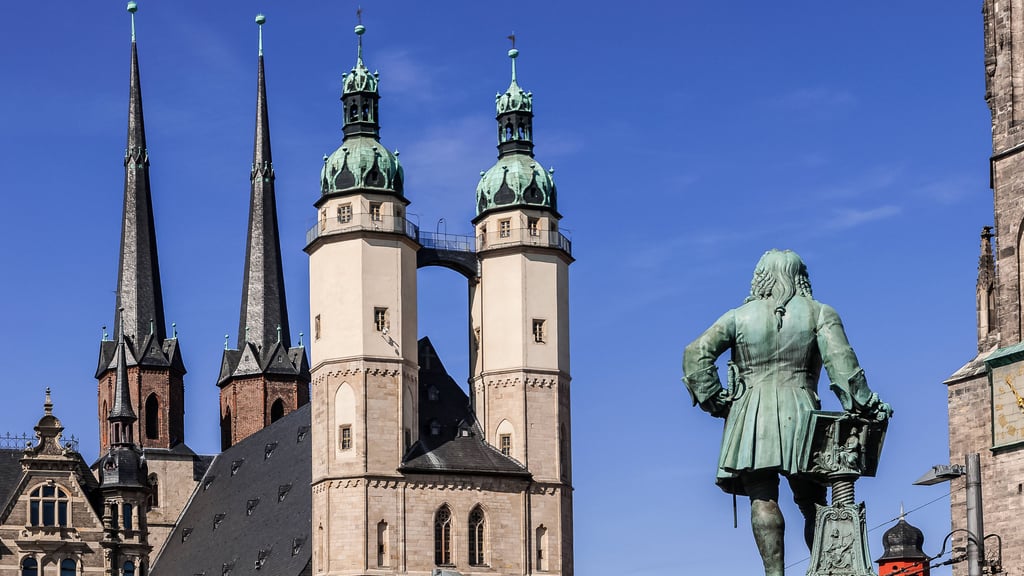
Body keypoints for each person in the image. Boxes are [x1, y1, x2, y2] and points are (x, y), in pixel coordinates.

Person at [682, 249, 891, 576]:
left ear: (760, 277)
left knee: (762, 498)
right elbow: (844, 369)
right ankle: (824, 566)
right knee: (813, 504)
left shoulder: (738, 317)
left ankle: (774, 574)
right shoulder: (819, 313)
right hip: (803, 412)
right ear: (801, 277)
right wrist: (865, 404)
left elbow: (696, 354)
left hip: (750, 414)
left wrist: (716, 400)